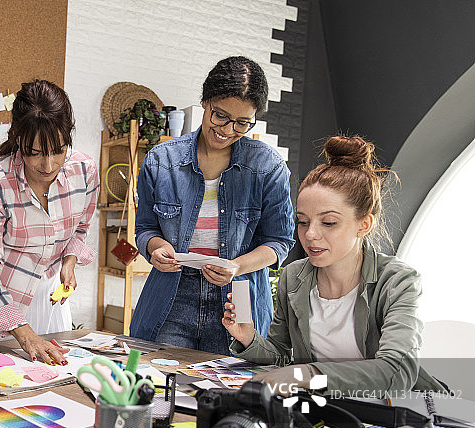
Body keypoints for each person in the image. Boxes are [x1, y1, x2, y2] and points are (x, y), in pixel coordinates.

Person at [223, 135, 445, 397]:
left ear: (364, 224)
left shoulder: (397, 281)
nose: (310, 235)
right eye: (303, 222)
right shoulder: (294, 277)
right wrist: (249, 338)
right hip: (327, 408)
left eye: (328, 223)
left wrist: (308, 374)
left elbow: (397, 371)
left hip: (397, 411)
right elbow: (281, 357)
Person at [131, 56, 295, 354]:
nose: (228, 130)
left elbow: (279, 242)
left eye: (242, 123)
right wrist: (156, 247)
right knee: (162, 379)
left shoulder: (267, 166)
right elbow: (144, 229)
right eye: (220, 116)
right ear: (205, 101)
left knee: (232, 381)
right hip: (172, 295)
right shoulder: (161, 161)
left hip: (238, 297)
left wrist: (236, 266)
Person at [0, 80, 99, 365]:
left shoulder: (84, 172)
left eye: (58, 150)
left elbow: (81, 228)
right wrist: (24, 334)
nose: (48, 165)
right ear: (18, 139)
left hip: (47, 300)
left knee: (54, 378)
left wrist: (69, 261)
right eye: (35, 153)